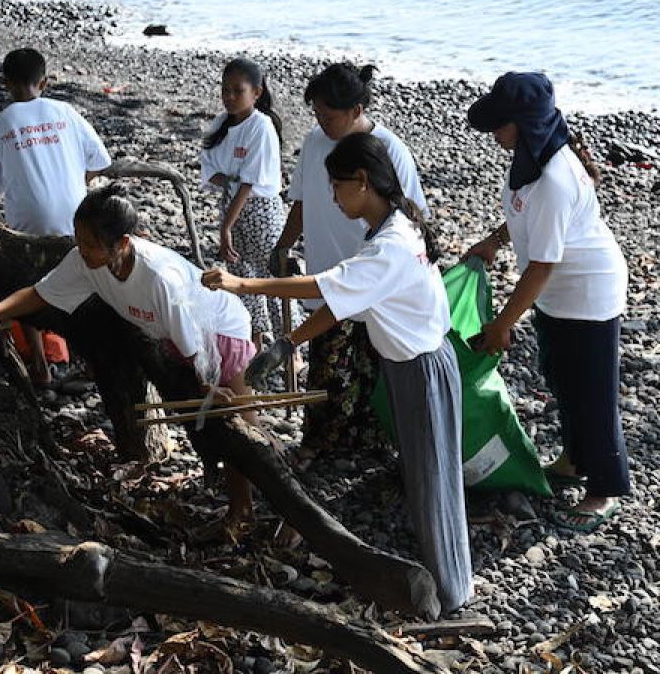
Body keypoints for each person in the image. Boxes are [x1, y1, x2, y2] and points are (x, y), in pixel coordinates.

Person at [202, 132, 472, 615]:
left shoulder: (390, 246)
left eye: (336, 186)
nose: (331, 196)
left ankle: (451, 595)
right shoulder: (393, 227)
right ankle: (440, 575)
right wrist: (289, 344)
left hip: (422, 370)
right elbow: (341, 301)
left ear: (362, 182)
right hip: (417, 365)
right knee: (425, 475)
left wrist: (242, 283)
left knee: (434, 480)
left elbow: (319, 285)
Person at [0, 186, 261, 525]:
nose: (81, 251)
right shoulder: (85, 262)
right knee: (221, 421)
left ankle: (249, 506)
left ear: (123, 244)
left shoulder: (157, 277)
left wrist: (207, 385)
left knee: (237, 422)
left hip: (218, 332)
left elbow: (189, 334)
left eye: (91, 245)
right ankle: (241, 505)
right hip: (178, 340)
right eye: (79, 240)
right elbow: (40, 294)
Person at [464, 71, 630, 533]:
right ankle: (575, 460)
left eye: (500, 123)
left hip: (588, 292)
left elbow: (542, 264)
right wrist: (494, 242)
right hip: (556, 295)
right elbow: (523, 219)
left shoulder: (557, 176)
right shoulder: (529, 159)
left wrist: (502, 323)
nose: (495, 133)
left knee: (592, 393)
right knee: (561, 377)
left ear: (526, 123)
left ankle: (604, 489)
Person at [272, 62, 427, 452]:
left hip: (376, 286)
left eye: (329, 116)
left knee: (374, 372)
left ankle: (375, 448)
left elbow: (413, 218)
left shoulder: (389, 150)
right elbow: (303, 202)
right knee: (327, 374)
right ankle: (323, 447)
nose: (322, 123)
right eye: (317, 115)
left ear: (357, 110)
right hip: (328, 280)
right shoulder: (314, 142)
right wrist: (283, 245)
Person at [0, 47, 112, 384]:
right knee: (86, 283)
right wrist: (77, 182)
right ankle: (93, 361)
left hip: (29, 222)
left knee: (27, 283)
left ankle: (39, 363)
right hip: (75, 220)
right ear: (44, 82)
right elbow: (100, 161)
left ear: (5, 84)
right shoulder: (65, 112)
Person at [199, 58, 289, 348]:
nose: (229, 97)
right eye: (225, 90)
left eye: (237, 91)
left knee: (273, 278)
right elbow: (211, 169)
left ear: (257, 93)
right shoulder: (221, 125)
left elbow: (249, 183)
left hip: (260, 211)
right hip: (233, 205)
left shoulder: (260, 127)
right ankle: (254, 340)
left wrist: (226, 226)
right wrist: (231, 183)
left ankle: (292, 345)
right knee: (241, 275)